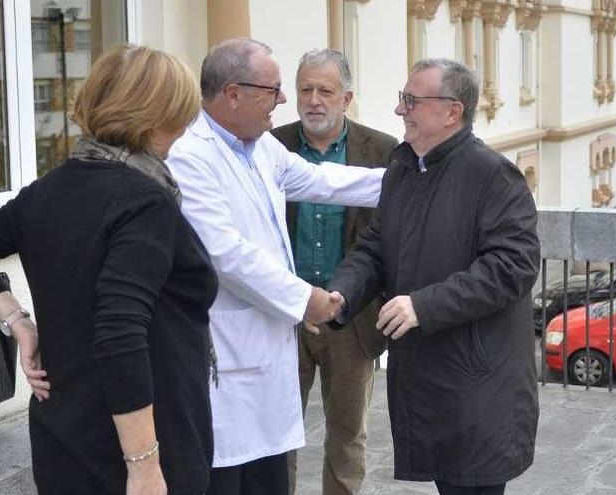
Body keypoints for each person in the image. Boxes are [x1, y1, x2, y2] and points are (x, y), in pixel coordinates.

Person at [0, 45, 216, 495]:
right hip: (140, 445)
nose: (186, 128)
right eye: (182, 115)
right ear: (156, 116)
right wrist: (144, 466)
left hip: (64, 436)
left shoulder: (48, 190)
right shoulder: (145, 202)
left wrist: (19, 323)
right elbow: (120, 329)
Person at [165, 38, 384, 495]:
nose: (286, 101)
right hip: (228, 357)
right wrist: (307, 300)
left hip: (266, 354)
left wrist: (417, 180)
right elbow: (225, 253)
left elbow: (322, 181)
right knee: (230, 477)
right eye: (275, 89)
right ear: (233, 94)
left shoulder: (260, 147)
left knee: (272, 471)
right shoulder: (191, 155)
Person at [327, 58, 541, 495]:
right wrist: (340, 293)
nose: (399, 110)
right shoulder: (404, 169)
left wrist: (422, 305)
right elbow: (375, 246)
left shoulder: (493, 174)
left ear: (452, 112)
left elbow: (512, 266)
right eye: (402, 99)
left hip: (479, 386)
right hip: (430, 378)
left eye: (411, 100)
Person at [271, 49, 398, 495]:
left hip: (350, 319)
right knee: (275, 437)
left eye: (325, 91)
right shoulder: (271, 146)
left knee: (346, 435)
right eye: (305, 89)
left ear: (347, 98)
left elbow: (391, 236)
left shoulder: (382, 151)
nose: (314, 100)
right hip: (283, 316)